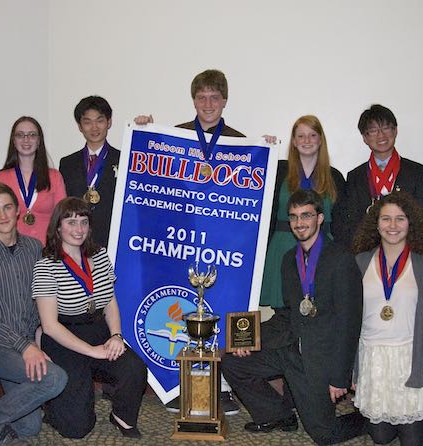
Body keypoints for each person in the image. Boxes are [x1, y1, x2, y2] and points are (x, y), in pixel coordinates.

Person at [135, 68, 274, 415]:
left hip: (223, 243)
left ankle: (221, 386)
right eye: (202, 98)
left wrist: (267, 153)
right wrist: (143, 132)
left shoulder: (241, 142)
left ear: (225, 101)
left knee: (225, 304)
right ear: (193, 101)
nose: (208, 103)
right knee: (185, 309)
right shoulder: (176, 136)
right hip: (182, 243)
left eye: (215, 97)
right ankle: (181, 382)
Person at [222, 189, 365, 445]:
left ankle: (373, 417)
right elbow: (288, 315)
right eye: (294, 217)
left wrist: (340, 377)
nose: (299, 223)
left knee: (324, 434)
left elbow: (349, 323)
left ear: (320, 218)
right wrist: (246, 340)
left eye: (306, 216)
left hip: (319, 359)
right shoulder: (289, 260)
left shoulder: (341, 259)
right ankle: (277, 415)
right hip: (290, 349)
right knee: (234, 363)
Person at [32, 197, 147, 439]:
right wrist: (92, 351)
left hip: (98, 329)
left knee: (134, 368)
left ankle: (120, 416)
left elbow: (110, 302)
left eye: (84, 222)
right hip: (65, 337)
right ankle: (53, 407)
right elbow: (50, 326)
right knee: (76, 428)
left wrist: (116, 335)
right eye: (71, 222)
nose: (79, 229)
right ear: (58, 227)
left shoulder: (100, 255)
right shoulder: (46, 266)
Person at [0, 183, 67, 445]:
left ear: (18, 209)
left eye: (7, 207)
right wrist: (25, 347)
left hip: (26, 340)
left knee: (30, 427)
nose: (3, 216)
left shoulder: (34, 248)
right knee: (55, 378)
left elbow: (41, 298)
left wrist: (39, 334)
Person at [353, 192, 423, 445]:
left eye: (400, 219)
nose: (393, 226)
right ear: (376, 223)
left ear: (411, 223)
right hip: (372, 357)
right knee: (381, 437)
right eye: (386, 219)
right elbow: (348, 322)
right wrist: (351, 370)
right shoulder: (359, 263)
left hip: (411, 358)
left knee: (411, 440)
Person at [260, 115, 346, 309]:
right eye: (301, 136)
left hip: (323, 249)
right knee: (280, 313)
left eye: (312, 135)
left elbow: (342, 223)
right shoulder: (277, 169)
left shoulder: (335, 177)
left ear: (321, 140)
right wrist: (263, 150)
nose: (307, 141)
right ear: (293, 141)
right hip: (281, 249)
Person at [344, 104, 423, 249]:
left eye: (386, 128)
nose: (381, 135)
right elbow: (353, 224)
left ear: (395, 130)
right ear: (365, 138)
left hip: (410, 255)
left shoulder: (418, 173)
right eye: (373, 131)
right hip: (368, 256)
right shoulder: (355, 177)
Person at [0, 116, 66, 245]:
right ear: (14, 141)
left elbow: (62, 217)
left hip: (47, 250)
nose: (26, 140)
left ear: (39, 141)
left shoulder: (54, 177)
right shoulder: (0, 178)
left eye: (32, 135)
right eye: (20, 135)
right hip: (12, 250)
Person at [59, 96, 120, 248]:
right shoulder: (67, 163)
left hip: (111, 241)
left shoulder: (124, 159)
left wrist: (145, 130)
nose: (94, 128)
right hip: (76, 241)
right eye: (87, 122)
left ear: (109, 122)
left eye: (100, 121)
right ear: (80, 126)